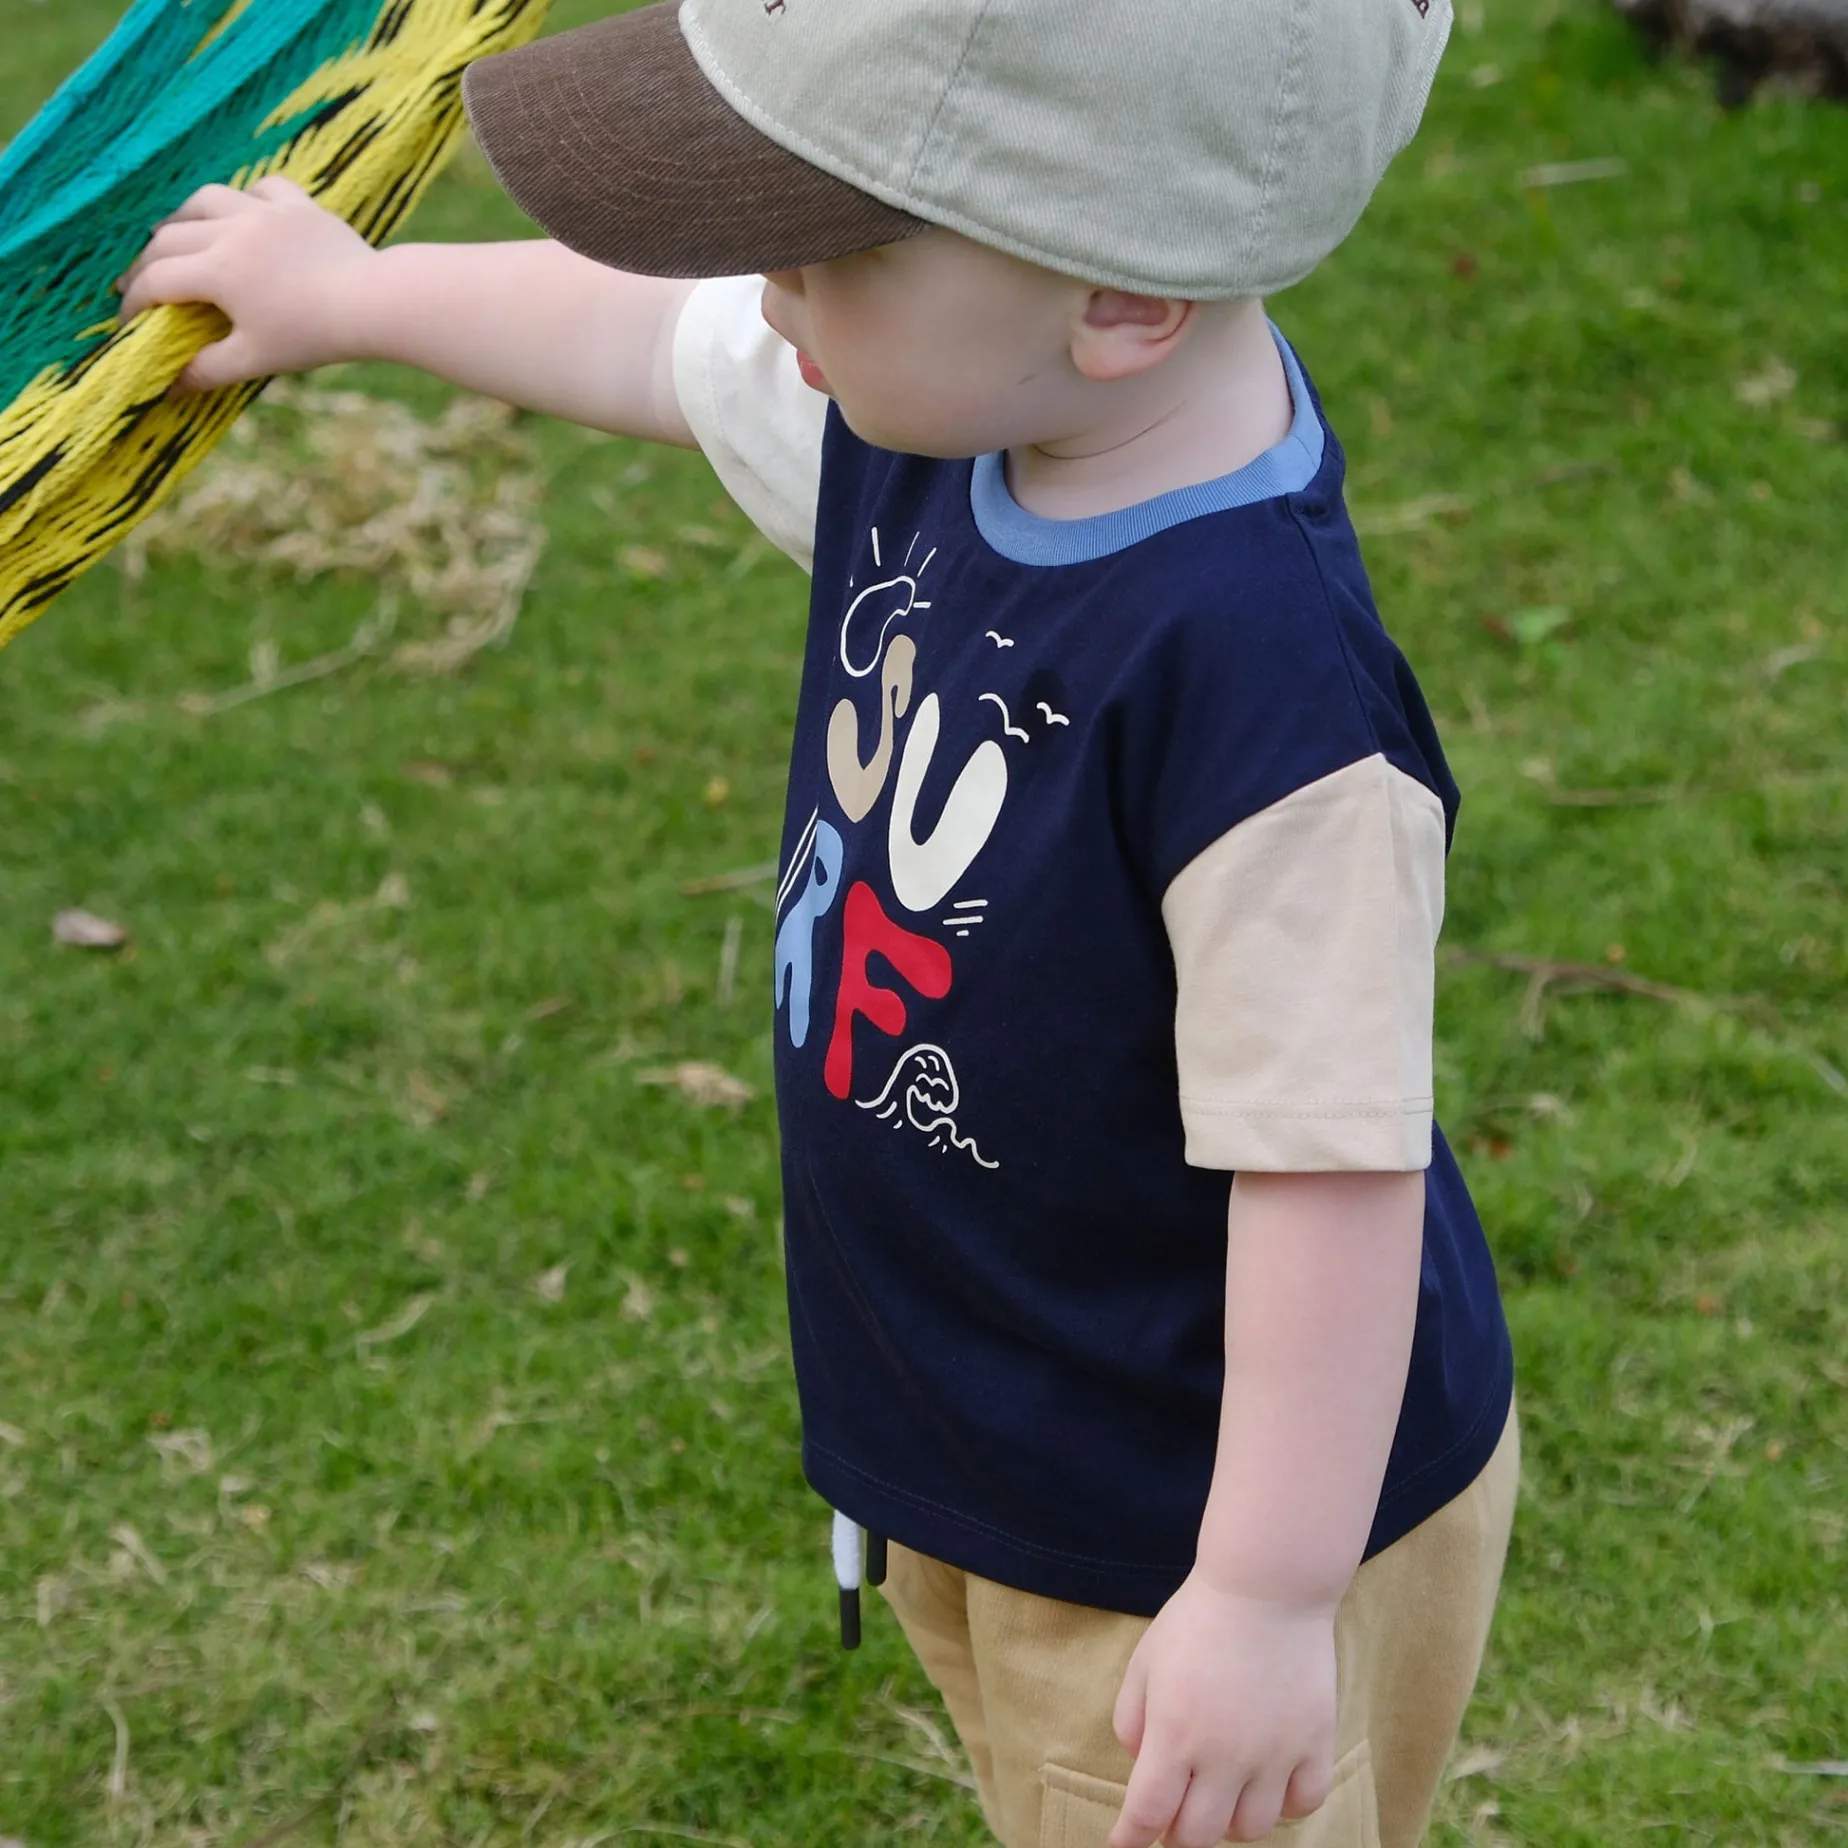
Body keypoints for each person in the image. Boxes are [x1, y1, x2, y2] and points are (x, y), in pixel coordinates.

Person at [115, 3, 1518, 1844]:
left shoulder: (1268, 705)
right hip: (998, 1434)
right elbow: (655, 335)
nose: (768, 299)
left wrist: (1260, 1601)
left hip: (1194, 1524)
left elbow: (1329, 1173)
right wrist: (358, 295)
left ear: (1121, 301)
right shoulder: (985, 400)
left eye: (818, 249)